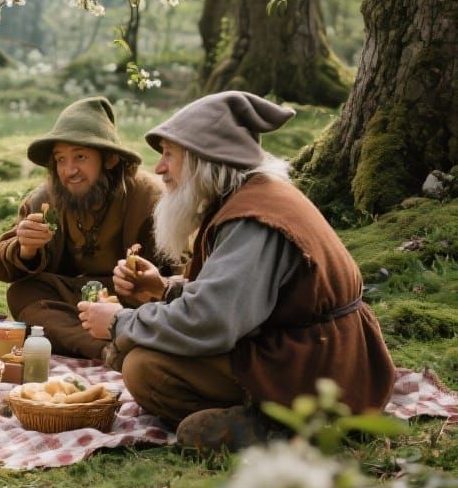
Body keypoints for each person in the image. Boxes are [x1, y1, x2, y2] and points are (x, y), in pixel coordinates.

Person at [78, 91, 396, 450]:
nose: (160, 168)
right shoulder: (247, 197)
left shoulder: (253, 218)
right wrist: (164, 288)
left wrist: (121, 322)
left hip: (320, 370)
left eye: (169, 154)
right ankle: (254, 414)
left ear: (204, 159)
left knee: (144, 368)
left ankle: (280, 430)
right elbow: (245, 294)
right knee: (132, 351)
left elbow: (213, 319)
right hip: (297, 351)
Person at [0, 95, 169, 359]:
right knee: (23, 293)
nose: (69, 170)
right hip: (70, 296)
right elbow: (1, 262)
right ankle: (108, 350)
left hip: (128, 299)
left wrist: (135, 281)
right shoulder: (43, 200)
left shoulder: (150, 198)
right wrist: (25, 249)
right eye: (61, 159)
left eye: (80, 157)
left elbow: (172, 278)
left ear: (109, 160)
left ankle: (114, 335)